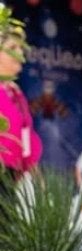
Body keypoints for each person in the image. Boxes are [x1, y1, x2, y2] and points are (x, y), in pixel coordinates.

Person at [0, 25, 41, 189]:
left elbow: (27, 140)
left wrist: (41, 189)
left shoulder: (15, 94)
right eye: (12, 47)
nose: (21, 53)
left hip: (12, 182)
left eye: (21, 47)